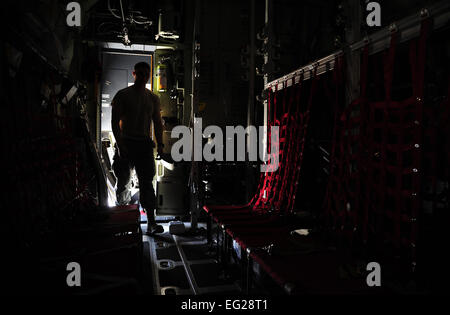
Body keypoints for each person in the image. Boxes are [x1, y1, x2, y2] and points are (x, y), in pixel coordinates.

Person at [111, 61, 164, 234]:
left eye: (145, 74)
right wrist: (120, 145)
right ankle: (122, 223)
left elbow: (157, 123)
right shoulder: (123, 95)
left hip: (143, 144)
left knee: (147, 184)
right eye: (139, 73)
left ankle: (151, 223)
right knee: (124, 184)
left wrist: (161, 145)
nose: (142, 77)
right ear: (134, 74)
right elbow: (114, 122)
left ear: (148, 76)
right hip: (126, 143)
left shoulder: (152, 98)